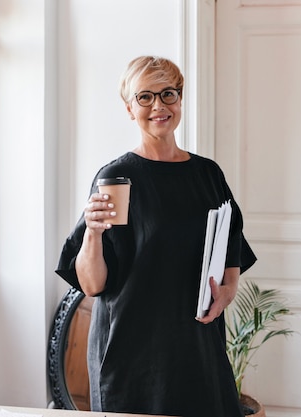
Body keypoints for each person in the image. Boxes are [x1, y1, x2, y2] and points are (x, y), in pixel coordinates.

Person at [56, 56, 256, 417]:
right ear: (130, 108)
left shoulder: (208, 174)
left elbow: (232, 244)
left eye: (168, 94)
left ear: (180, 99)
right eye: (145, 97)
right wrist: (93, 234)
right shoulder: (118, 177)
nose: (159, 106)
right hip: (134, 352)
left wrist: (227, 292)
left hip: (197, 343)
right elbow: (91, 284)